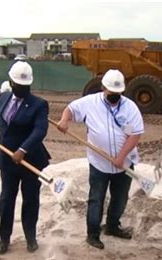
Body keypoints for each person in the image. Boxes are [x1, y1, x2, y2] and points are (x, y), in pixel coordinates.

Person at [56, 69, 144, 250]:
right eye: (111, 93)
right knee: (96, 198)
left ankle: (112, 226)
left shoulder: (130, 107)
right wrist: (64, 120)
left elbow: (135, 134)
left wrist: (121, 157)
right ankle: (93, 234)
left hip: (124, 163)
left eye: (118, 94)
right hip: (99, 163)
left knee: (120, 198)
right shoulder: (90, 103)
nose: (115, 96)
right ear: (103, 88)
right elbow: (70, 109)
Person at [0, 61, 51, 255]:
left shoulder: (39, 105)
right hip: (7, 161)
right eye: (19, 85)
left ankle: (30, 237)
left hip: (30, 160)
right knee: (6, 199)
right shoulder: (4, 97)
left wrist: (23, 149)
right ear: (11, 83)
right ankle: (4, 238)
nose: (22, 89)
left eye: (26, 86)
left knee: (30, 200)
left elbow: (40, 130)